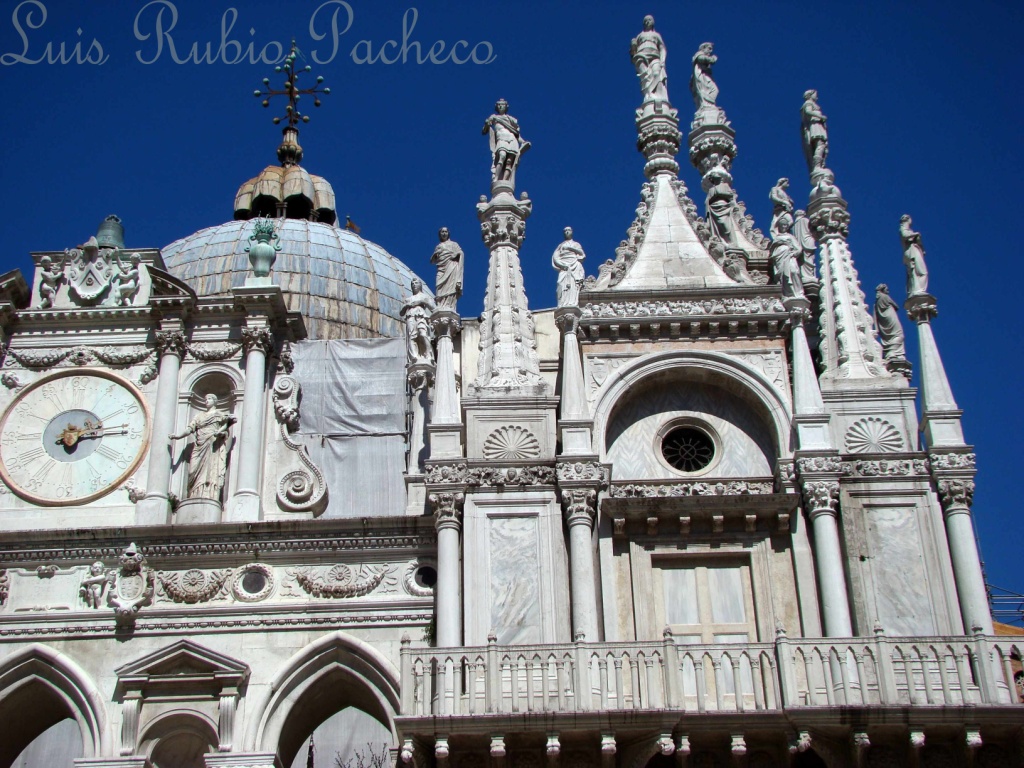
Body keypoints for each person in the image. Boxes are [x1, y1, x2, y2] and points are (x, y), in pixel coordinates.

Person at [170, 394, 236, 502]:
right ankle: (193, 494)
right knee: (193, 471)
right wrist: (178, 436)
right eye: (205, 399)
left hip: (212, 444)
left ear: (215, 401)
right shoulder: (199, 416)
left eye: (209, 399)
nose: (206, 401)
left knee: (210, 470)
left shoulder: (218, 414)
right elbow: (189, 429)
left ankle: (208, 494)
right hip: (199, 445)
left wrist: (220, 431)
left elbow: (230, 421)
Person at [482, 99, 530, 188]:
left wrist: (523, 142)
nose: (501, 106)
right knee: (502, 156)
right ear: (497, 107)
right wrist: (487, 124)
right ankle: (496, 179)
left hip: (512, 140)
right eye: (499, 105)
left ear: (506, 106)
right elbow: (484, 131)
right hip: (501, 139)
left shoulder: (511, 119)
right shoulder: (494, 117)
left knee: (509, 162)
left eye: (502, 105)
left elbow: (516, 134)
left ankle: (505, 181)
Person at [630, 15, 669, 103]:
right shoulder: (639, 36)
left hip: (655, 57)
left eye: (650, 20)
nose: (648, 21)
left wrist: (662, 61)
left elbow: (662, 48)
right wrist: (633, 47)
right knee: (645, 76)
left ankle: (657, 95)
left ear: (653, 22)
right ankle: (648, 95)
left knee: (657, 73)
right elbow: (633, 54)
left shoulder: (656, 35)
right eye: (646, 20)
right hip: (641, 57)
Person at [769, 213, 804, 299]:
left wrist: (793, 253)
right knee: (784, 276)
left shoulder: (790, 237)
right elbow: (772, 249)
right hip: (780, 259)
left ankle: (798, 292)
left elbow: (798, 248)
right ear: (779, 226)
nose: (784, 227)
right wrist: (781, 243)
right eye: (782, 225)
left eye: (785, 225)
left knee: (794, 271)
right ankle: (787, 294)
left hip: (790, 257)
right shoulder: (777, 237)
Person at [401, 278, 435, 366]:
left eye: (416, 283)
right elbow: (401, 313)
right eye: (412, 283)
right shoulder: (408, 299)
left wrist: (421, 301)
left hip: (421, 317)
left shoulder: (425, 296)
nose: (414, 285)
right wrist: (407, 306)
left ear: (420, 285)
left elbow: (433, 309)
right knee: (412, 337)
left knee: (423, 334)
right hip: (410, 317)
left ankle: (428, 354)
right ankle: (414, 357)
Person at [552, 227, 586, 308]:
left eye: (569, 230)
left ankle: (573, 303)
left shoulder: (576, 244)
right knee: (560, 283)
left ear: (572, 232)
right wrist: (562, 265)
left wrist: (569, 248)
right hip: (564, 267)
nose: (567, 232)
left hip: (575, 265)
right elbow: (555, 257)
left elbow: (582, 253)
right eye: (565, 231)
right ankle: (563, 304)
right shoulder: (560, 246)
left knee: (574, 284)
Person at [431, 228, 463, 311]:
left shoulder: (454, 244)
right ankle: (440, 304)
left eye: (445, 232)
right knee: (439, 286)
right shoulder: (438, 246)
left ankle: (449, 306)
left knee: (451, 288)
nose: (444, 233)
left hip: (451, 267)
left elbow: (461, 253)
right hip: (441, 268)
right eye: (442, 232)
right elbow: (432, 261)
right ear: (440, 234)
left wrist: (456, 254)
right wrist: (435, 256)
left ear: (448, 233)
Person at [874, 284, 906, 361]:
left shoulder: (877, 301)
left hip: (884, 322)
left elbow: (875, 316)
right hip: (891, 317)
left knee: (891, 337)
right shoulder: (885, 297)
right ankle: (894, 352)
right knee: (899, 334)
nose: (888, 291)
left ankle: (891, 351)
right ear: (883, 290)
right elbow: (896, 306)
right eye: (886, 289)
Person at [900, 214, 929, 296]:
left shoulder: (908, 230)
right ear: (908, 220)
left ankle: (918, 289)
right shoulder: (903, 229)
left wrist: (922, 248)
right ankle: (916, 290)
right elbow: (904, 235)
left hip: (914, 250)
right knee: (915, 272)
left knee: (920, 272)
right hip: (911, 252)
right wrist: (915, 234)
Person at [801, 89, 829, 172]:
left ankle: (819, 164)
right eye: (815, 94)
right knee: (819, 144)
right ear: (810, 95)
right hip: (815, 125)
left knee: (821, 145)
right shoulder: (808, 103)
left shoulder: (813, 104)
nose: (816, 96)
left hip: (818, 125)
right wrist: (821, 116)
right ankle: (817, 165)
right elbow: (808, 111)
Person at [689, 42, 718, 108]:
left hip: (706, 77)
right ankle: (707, 105)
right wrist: (712, 59)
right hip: (702, 77)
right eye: (709, 48)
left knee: (714, 90)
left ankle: (709, 104)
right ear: (704, 48)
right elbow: (702, 59)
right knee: (709, 90)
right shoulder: (699, 54)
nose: (711, 51)